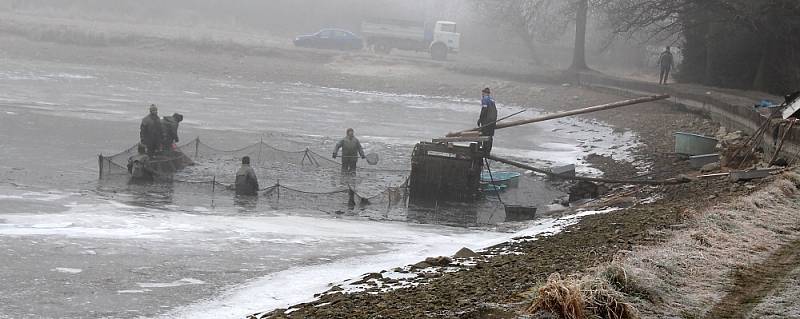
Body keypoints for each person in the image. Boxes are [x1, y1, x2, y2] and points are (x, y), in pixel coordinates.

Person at [477, 87, 498, 153]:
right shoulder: (492, 100)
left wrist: (480, 119)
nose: (482, 94)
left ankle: (482, 148)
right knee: (490, 135)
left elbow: (484, 109)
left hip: (487, 120)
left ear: (485, 93)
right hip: (493, 120)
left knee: (482, 133)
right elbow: (495, 110)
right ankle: (488, 150)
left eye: (482, 93)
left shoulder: (485, 99)